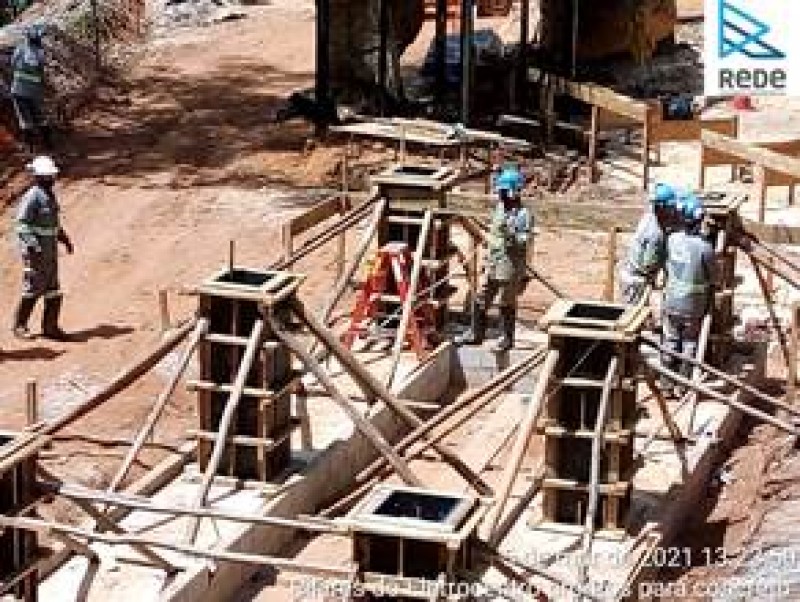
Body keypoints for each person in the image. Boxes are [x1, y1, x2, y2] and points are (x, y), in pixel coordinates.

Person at [456, 165, 531, 351]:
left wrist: (512, 234)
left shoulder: (523, 215)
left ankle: (507, 339)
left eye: (504, 192)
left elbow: (524, 240)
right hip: (493, 261)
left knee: (506, 301)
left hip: (510, 265)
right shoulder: (499, 209)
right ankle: (475, 333)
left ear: (513, 192)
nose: (501, 195)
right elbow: (494, 231)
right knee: (481, 297)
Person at [13, 155, 73, 340]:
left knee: (53, 289)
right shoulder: (32, 196)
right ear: (38, 177)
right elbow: (22, 224)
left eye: (51, 176)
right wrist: (33, 245)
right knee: (33, 288)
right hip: (36, 253)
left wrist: (64, 237)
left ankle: (51, 328)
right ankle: (20, 326)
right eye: (46, 177)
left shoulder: (49, 195)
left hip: (50, 252)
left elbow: (53, 222)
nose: (50, 180)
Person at [662, 194, 715, 386]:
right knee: (689, 343)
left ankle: (666, 383)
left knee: (670, 340)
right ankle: (683, 385)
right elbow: (713, 277)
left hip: (671, 302)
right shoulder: (705, 248)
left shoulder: (672, 240)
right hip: (693, 307)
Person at [617, 182, 677, 305]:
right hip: (635, 281)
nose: (672, 211)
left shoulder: (649, 216)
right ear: (663, 208)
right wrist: (665, 258)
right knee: (633, 316)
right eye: (670, 208)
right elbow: (648, 264)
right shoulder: (655, 234)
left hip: (630, 274)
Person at [9, 23, 50, 153]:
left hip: (18, 90)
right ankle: (48, 144)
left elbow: (13, 64)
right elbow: (41, 71)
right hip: (35, 91)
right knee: (40, 117)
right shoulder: (40, 53)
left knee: (25, 119)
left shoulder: (19, 49)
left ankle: (30, 149)